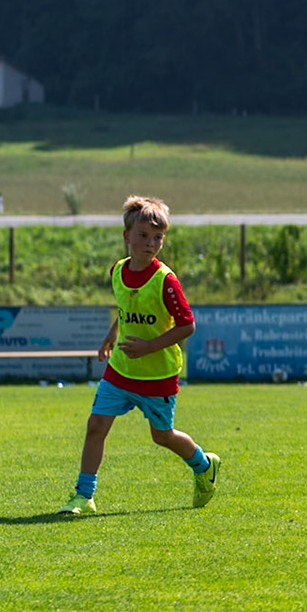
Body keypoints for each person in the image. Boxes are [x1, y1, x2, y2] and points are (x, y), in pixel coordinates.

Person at [58, 196, 220, 514]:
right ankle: (84, 496)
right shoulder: (117, 271)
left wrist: (148, 347)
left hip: (157, 376)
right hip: (120, 371)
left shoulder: (166, 281)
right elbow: (127, 308)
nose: (151, 243)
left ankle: (204, 465)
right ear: (126, 236)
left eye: (158, 237)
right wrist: (112, 334)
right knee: (96, 425)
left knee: (162, 436)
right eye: (143, 235)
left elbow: (187, 326)